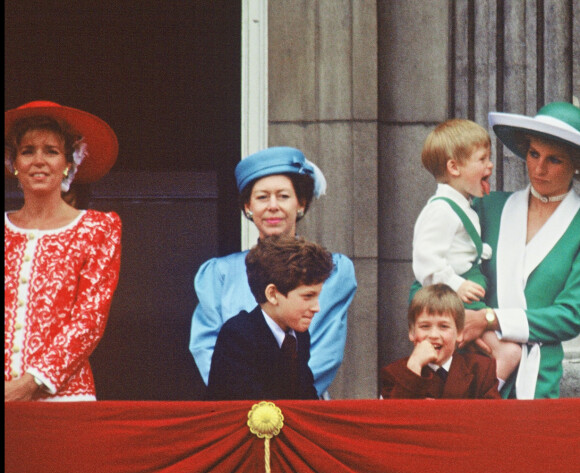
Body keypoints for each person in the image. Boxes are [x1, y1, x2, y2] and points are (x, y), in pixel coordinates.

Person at [189, 146, 357, 397]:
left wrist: (281, 409)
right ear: (247, 206)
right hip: (238, 408)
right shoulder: (218, 273)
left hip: (300, 409)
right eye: (262, 197)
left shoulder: (330, 270)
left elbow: (324, 354)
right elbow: (207, 351)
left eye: (283, 196)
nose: (273, 206)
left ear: (301, 203)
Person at [5, 100, 122, 401]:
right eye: (27, 151)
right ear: (13, 163)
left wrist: (29, 384)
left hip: (66, 399)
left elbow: (89, 319)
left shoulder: (98, 229)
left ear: (70, 162)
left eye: (52, 151)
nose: (39, 160)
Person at [464, 101, 580, 399]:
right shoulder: (488, 207)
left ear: (576, 164)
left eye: (554, 159)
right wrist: (472, 318)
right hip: (474, 362)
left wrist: (491, 319)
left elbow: (571, 315)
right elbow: (440, 273)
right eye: (533, 154)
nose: (539, 168)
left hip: (539, 378)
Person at [410, 119, 521, 389]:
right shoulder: (441, 210)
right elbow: (426, 261)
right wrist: (457, 285)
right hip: (449, 298)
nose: (490, 166)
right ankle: (479, 402)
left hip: (456, 298)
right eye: (482, 159)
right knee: (509, 352)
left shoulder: (461, 205)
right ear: (454, 167)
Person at [206, 235, 334, 400]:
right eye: (308, 296)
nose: (317, 307)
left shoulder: (300, 335)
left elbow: (307, 399)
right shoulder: (238, 335)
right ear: (272, 294)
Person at [380, 284, 500, 399]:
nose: (433, 335)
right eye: (425, 326)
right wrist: (413, 368)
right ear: (412, 333)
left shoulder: (481, 370)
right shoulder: (393, 373)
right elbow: (395, 416)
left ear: (459, 333)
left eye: (443, 326)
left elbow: (492, 417)